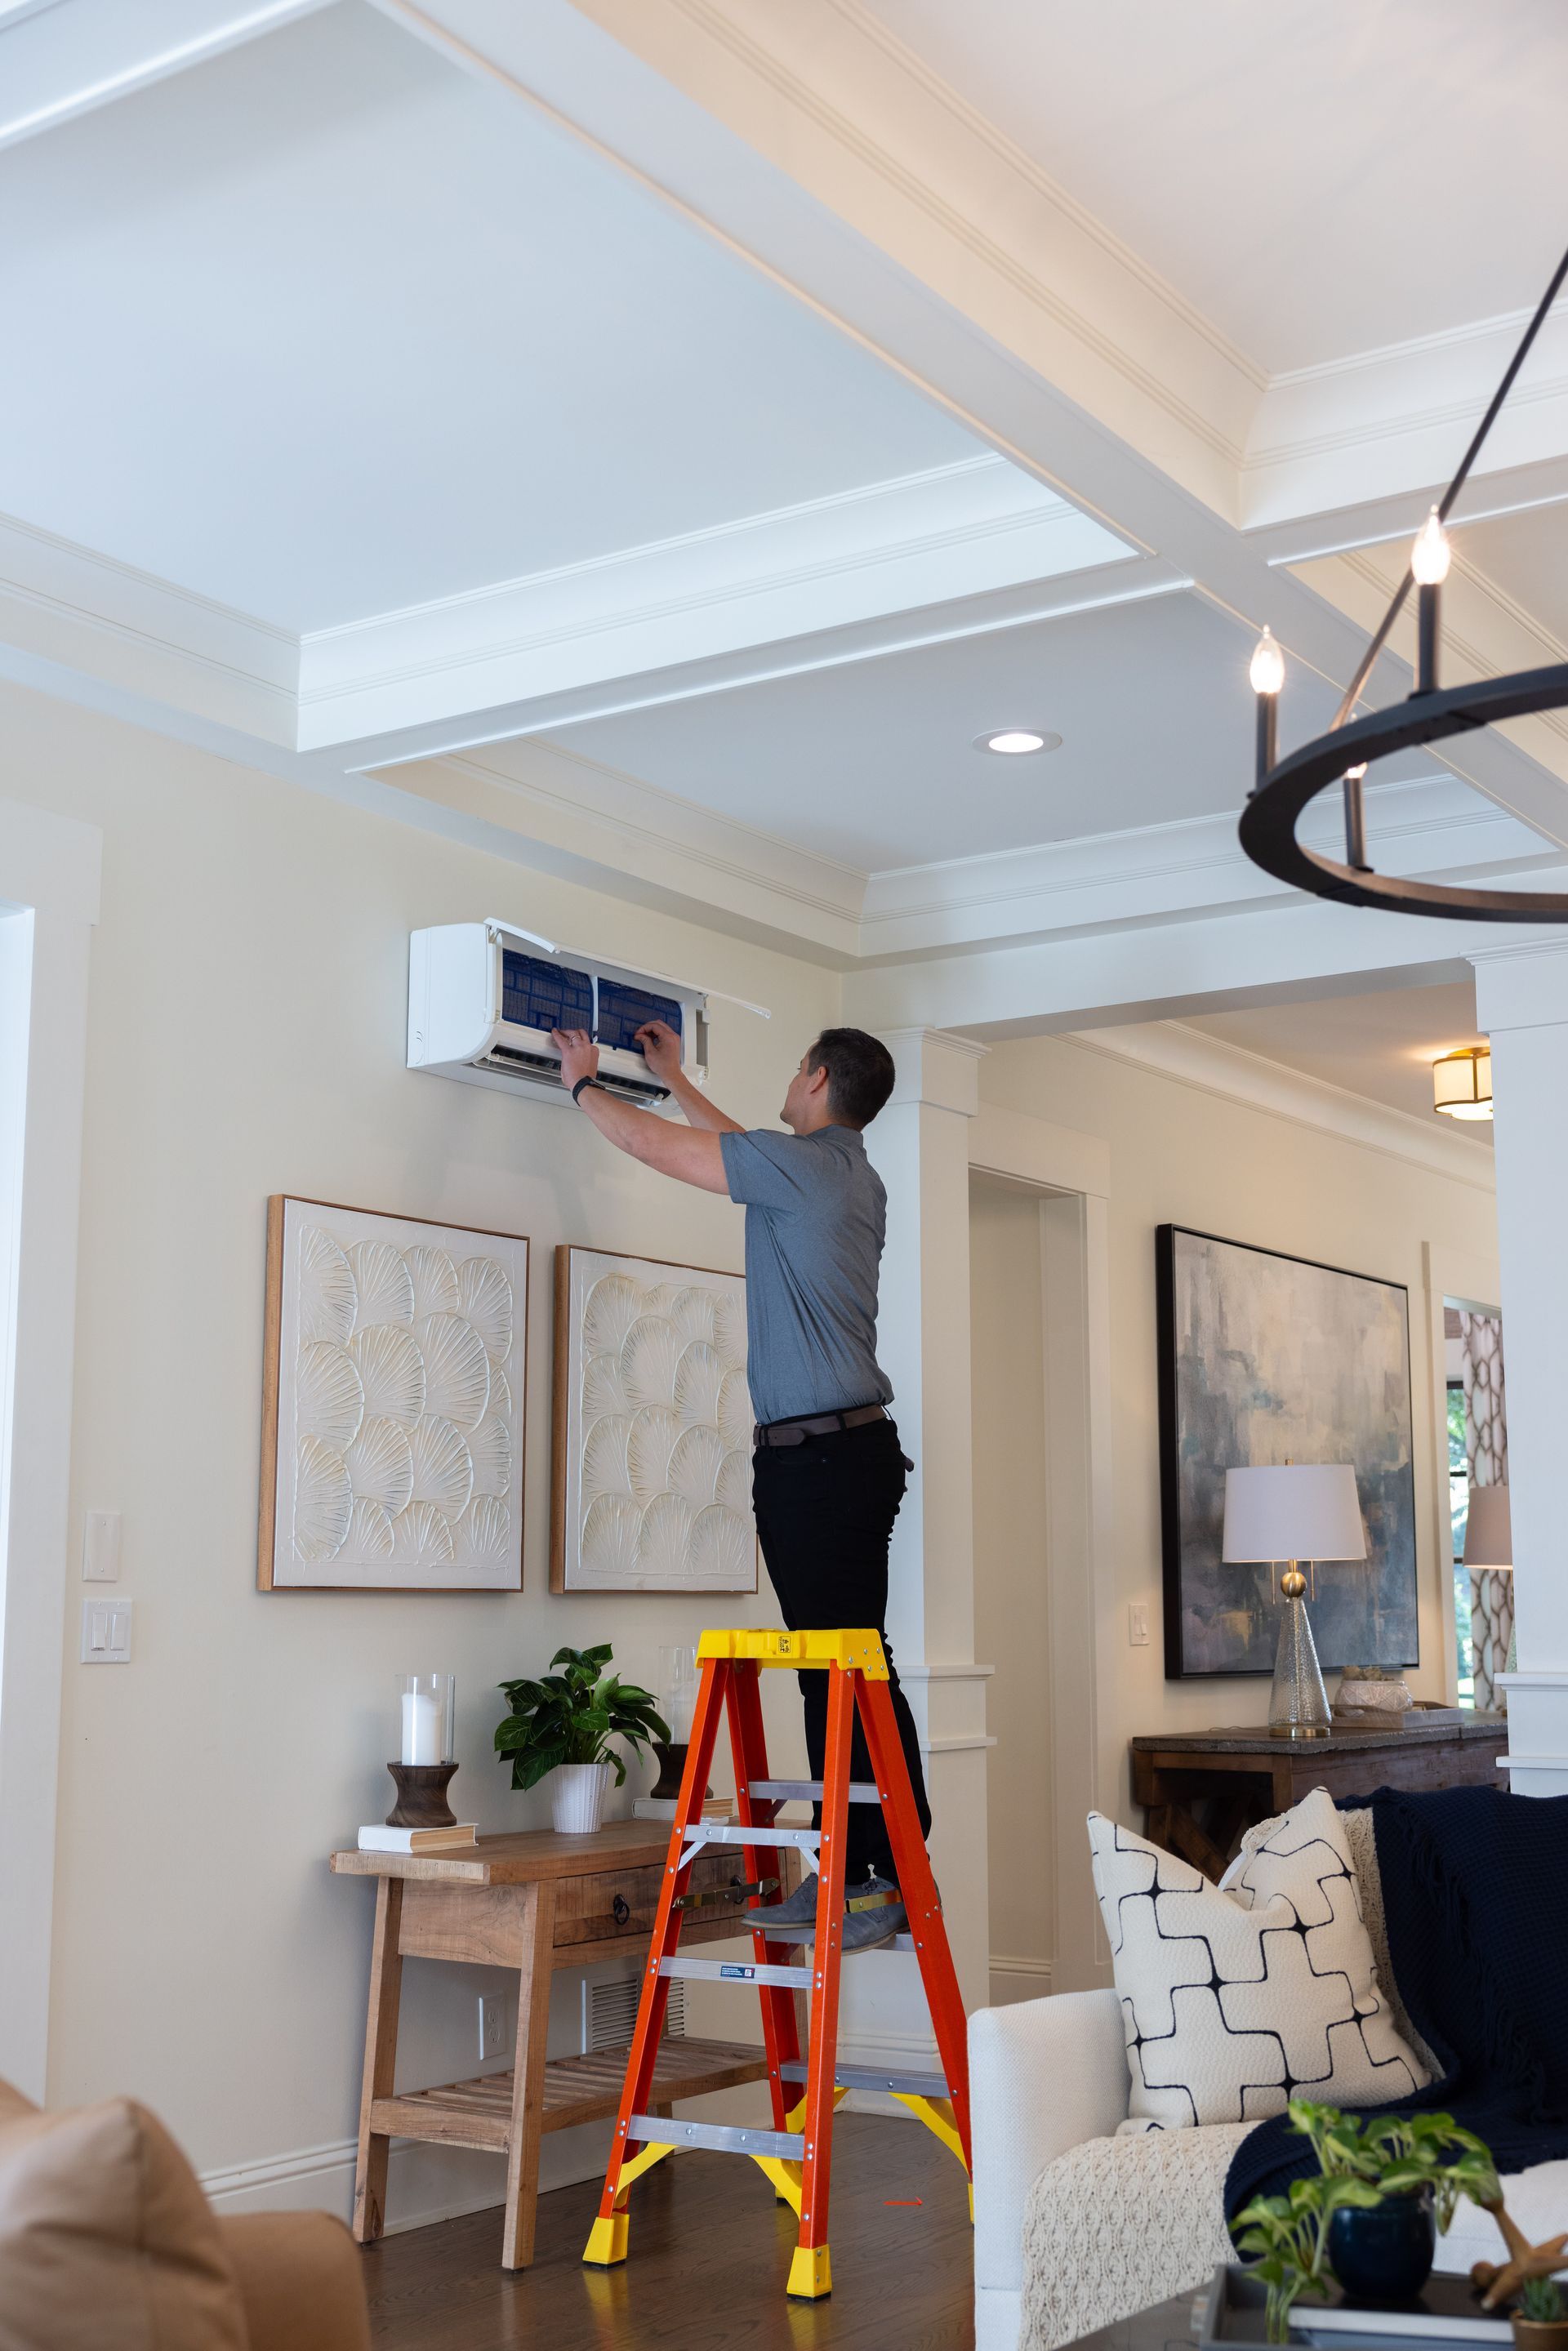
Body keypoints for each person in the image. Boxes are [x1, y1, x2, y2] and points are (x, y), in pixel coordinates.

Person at [550, 1017, 931, 1952]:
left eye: (796, 1069)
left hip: (822, 1463)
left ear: (814, 1076)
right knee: (848, 1657)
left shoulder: (806, 1170)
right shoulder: (835, 1171)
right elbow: (734, 1148)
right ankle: (873, 1865)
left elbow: (659, 1149)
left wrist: (583, 1084)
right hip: (840, 1454)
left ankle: (866, 1877)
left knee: (836, 1662)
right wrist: (675, 1075)